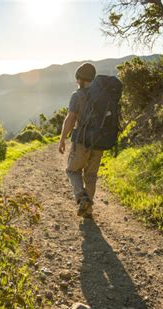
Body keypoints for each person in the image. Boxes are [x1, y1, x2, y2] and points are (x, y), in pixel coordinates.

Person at [58, 62, 103, 218]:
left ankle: (82, 197)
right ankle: (88, 211)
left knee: (72, 170)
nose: (76, 81)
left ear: (80, 79)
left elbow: (70, 119)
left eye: (77, 78)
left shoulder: (77, 95)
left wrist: (62, 139)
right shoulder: (101, 95)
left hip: (81, 141)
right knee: (90, 176)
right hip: (99, 142)